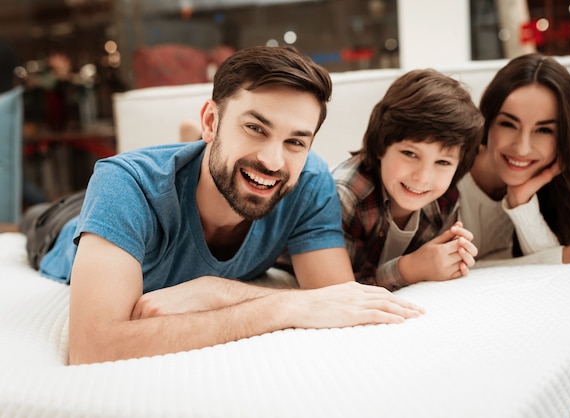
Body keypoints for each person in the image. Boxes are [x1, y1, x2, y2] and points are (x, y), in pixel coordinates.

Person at [21, 46, 423, 365]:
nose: (273, 160)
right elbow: (94, 348)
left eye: (295, 141)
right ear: (211, 121)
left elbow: (335, 298)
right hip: (62, 226)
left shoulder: (308, 181)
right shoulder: (123, 184)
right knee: (38, 217)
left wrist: (211, 293)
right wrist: (271, 304)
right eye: (255, 128)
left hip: (181, 178)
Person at [458, 53, 570, 265]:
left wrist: (521, 202)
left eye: (544, 130)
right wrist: (559, 257)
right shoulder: (445, 172)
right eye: (508, 124)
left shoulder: (557, 189)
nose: (522, 147)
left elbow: (547, 275)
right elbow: (446, 271)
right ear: (488, 122)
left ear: (563, 137)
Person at [331, 69, 484, 291]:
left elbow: (435, 270)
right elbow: (335, 287)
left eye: (442, 163)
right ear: (382, 146)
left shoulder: (445, 199)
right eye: (410, 154)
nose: (422, 177)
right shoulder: (346, 193)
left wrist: (452, 259)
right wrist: (408, 269)